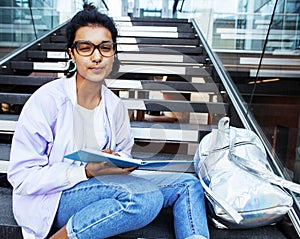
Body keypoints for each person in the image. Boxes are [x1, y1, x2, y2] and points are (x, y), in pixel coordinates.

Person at [7, 2, 209, 239]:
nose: (96, 57)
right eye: (85, 47)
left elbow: (123, 155)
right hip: (54, 197)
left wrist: (119, 162)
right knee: (143, 198)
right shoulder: (47, 101)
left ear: (113, 53)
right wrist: (87, 171)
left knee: (189, 184)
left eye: (105, 47)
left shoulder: (114, 107)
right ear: (72, 53)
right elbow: (21, 177)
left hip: (102, 187)